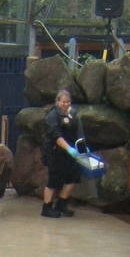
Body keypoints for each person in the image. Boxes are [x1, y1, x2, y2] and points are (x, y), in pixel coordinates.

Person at [39, 88, 80, 218]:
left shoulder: (72, 114)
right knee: (54, 180)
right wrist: (69, 149)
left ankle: (61, 204)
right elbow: (56, 136)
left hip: (70, 153)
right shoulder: (52, 116)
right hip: (55, 153)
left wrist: (80, 148)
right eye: (63, 102)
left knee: (73, 178)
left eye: (68, 102)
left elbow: (78, 132)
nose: (66, 104)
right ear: (57, 102)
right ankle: (47, 207)